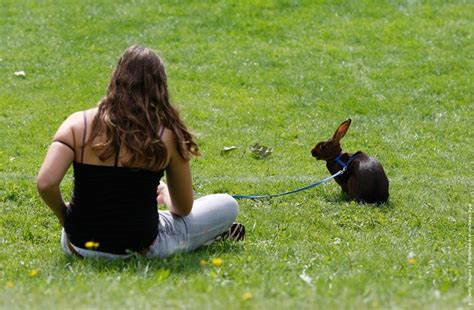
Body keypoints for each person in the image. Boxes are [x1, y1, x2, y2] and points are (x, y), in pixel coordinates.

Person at [36, 45, 245, 259]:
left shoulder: (76, 125)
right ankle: (209, 235)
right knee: (227, 204)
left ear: (115, 80)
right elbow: (183, 209)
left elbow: (45, 182)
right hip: (142, 248)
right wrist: (165, 193)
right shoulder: (167, 135)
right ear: (160, 88)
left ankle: (206, 235)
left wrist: (65, 216)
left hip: (77, 245)